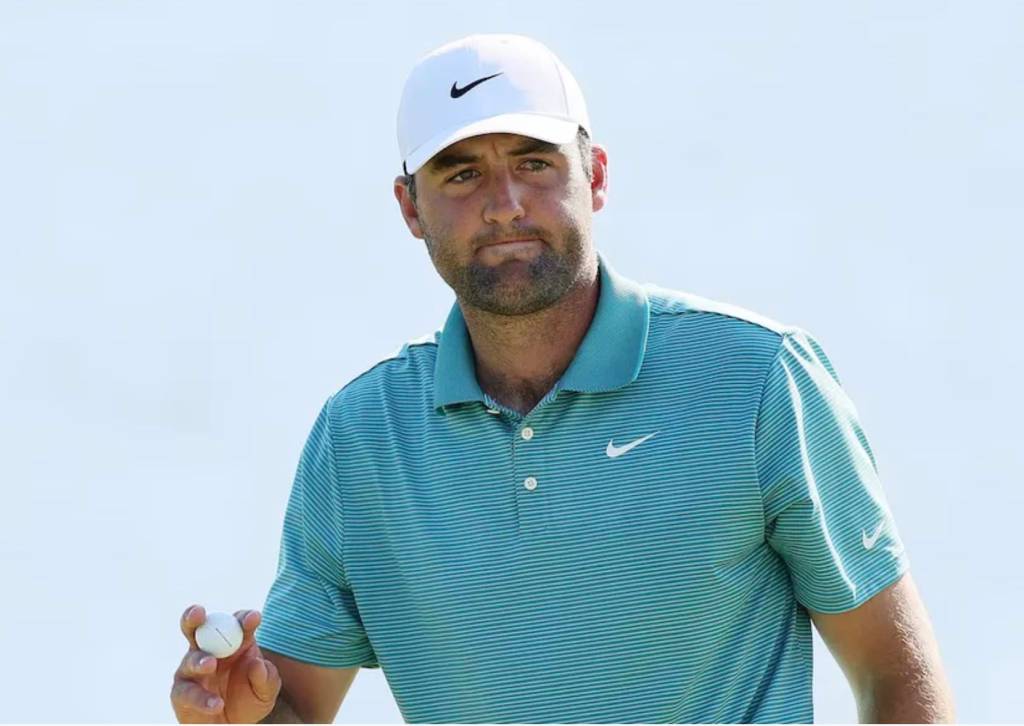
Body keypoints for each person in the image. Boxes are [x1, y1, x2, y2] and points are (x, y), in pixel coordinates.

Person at [171, 34, 956, 724]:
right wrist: (236, 719)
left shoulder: (759, 379)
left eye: (535, 163)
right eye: (461, 174)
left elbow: (896, 674)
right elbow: (295, 707)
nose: (505, 205)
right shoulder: (359, 437)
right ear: (410, 208)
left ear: (596, 175)